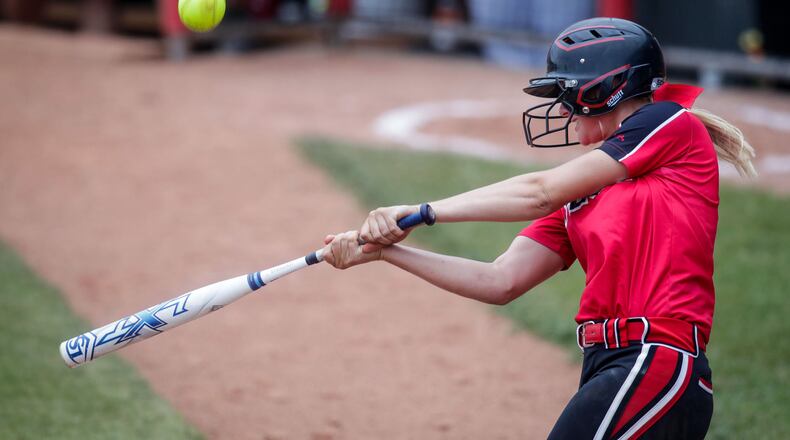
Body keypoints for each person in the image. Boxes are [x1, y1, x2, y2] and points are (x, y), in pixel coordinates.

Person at [321, 17, 756, 439]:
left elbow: (539, 192)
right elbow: (500, 280)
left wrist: (421, 212)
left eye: (566, 97)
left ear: (603, 90)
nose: (563, 112)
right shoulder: (582, 198)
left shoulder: (669, 125)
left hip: (655, 362)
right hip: (611, 367)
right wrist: (386, 253)